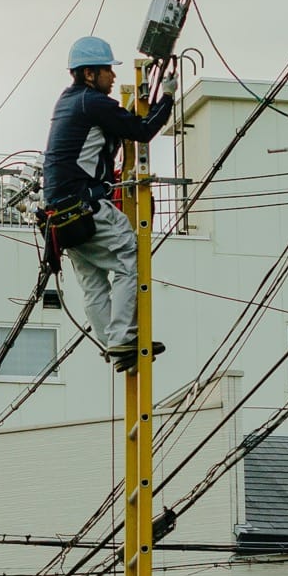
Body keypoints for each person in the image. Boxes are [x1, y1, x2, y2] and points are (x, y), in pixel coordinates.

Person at [43, 35, 177, 372]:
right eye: (107, 70)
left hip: (61, 215)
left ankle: (115, 348)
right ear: (89, 74)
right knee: (131, 255)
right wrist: (169, 97)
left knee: (92, 282)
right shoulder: (93, 103)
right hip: (86, 204)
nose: (112, 77)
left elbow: (115, 131)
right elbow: (142, 130)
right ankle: (122, 340)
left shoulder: (68, 101)